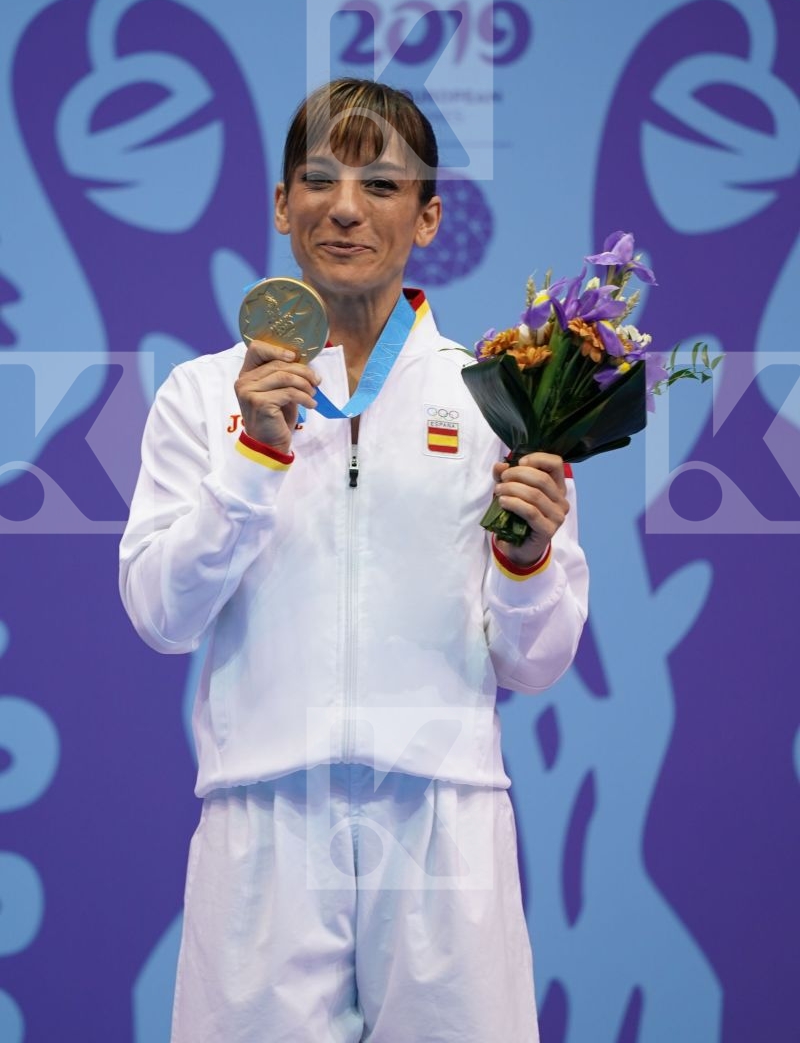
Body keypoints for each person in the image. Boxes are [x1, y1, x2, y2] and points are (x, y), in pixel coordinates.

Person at [119, 78, 589, 1042]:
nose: (344, 206)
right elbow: (161, 616)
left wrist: (531, 558)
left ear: (429, 217)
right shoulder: (202, 393)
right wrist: (254, 455)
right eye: (318, 180)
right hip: (263, 822)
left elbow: (534, 662)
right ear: (281, 205)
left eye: (381, 184)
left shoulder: (499, 397)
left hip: (443, 821)